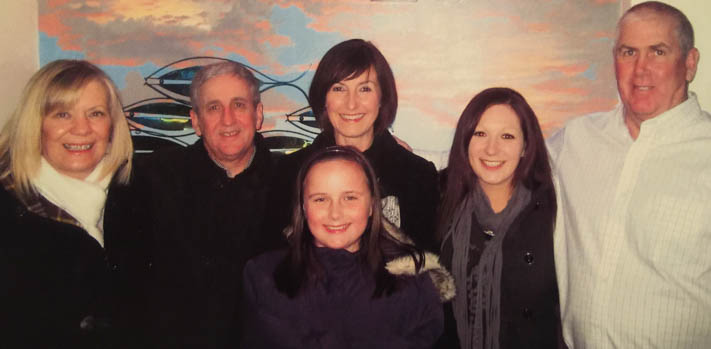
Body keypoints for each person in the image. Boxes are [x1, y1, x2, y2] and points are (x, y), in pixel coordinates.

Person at [549, 1, 711, 347]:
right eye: (628, 52)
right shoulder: (577, 138)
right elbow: (496, 163)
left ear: (690, 63)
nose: (641, 70)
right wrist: (407, 156)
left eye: (658, 52)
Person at [242, 145, 454, 349]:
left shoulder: (414, 286)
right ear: (304, 207)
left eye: (350, 197)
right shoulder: (265, 278)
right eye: (320, 199)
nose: (335, 213)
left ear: (372, 204)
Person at [131, 60, 275, 348]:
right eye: (213, 108)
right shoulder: (153, 180)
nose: (228, 119)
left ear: (258, 114)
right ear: (195, 121)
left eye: (239, 105)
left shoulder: (293, 183)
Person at [0, 60, 135, 349]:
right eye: (62, 114)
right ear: (35, 125)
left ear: (112, 126)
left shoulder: (138, 199)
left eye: (96, 114)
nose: (81, 129)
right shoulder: (8, 209)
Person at [265, 39, 439, 252]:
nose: (351, 104)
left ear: (382, 97)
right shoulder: (289, 172)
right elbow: (273, 261)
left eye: (364, 89)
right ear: (323, 98)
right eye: (339, 89)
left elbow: (427, 267)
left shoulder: (418, 176)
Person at [438, 88, 560, 349]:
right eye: (480, 134)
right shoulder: (439, 199)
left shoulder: (553, 210)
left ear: (526, 145)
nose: (491, 149)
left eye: (507, 136)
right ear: (465, 140)